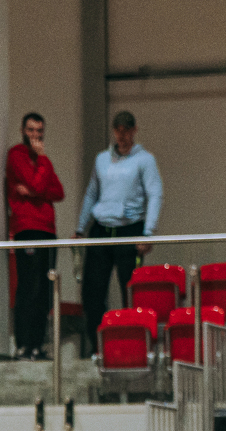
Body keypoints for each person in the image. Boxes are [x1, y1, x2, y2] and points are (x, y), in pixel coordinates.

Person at [76, 110, 163, 343]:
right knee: (93, 292)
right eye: (118, 130)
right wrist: (80, 228)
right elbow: (92, 192)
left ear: (134, 131)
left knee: (130, 291)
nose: (122, 135)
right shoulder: (102, 159)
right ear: (114, 131)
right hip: (101, 229)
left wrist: (148, 233)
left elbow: (155, 194)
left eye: (126, 130)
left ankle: (133, 343)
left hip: (130, 230)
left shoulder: (145, 160)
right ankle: (97, 346)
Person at [6, 112, 65, 360]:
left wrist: (33, 191)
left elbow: (58, 191)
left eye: (39, 131)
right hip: (27, 228)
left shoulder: (42, 160)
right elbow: (40, 185)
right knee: (29, 287)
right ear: (23, 130)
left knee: (45, 289)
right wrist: (41, 168)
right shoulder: (17, 155)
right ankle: (24, 345)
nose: (35, 135)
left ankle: (38, 346)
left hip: (48, 230)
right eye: (31, 130)